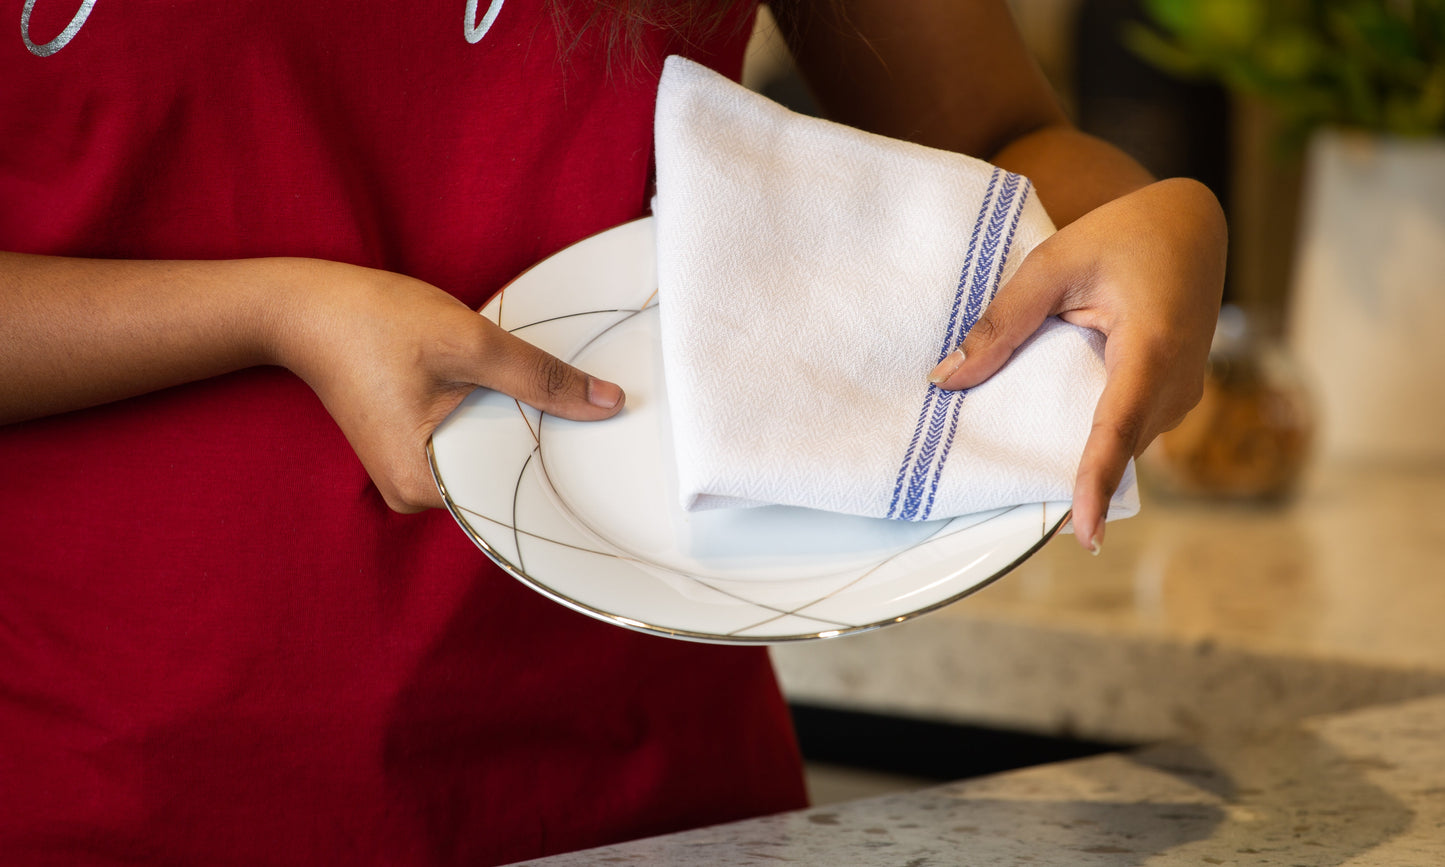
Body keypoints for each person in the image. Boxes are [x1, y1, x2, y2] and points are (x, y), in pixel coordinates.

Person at [0, 0, 1225, 864]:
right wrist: (274, 308)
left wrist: (1148, 223)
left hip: (652, 791)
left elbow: (1009, 145)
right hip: (108, 795)